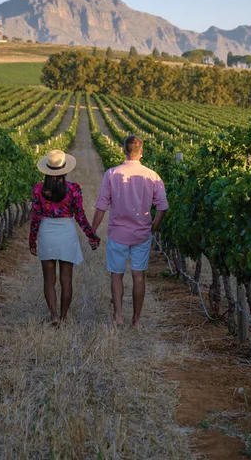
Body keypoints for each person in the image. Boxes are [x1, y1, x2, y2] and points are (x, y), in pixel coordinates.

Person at [91, 135, 168, 327]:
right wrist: (153, 226)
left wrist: (92, 230)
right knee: (138, 275)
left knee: (116, 275)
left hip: (118, 234)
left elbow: (101, 206)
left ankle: (118, 315)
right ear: (141, 152)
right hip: (142, 234)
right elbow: (163, 207)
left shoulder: (112, 174)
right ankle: (136, 319)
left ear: (124, 150)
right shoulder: (152, 175)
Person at [29, 149, 100, 325]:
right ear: (65, 170)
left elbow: (35, 217)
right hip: (66, 232)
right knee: (66, 279)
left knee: (49, 279)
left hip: (46, 232)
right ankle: (64, 316)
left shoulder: (38, 189)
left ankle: (53, 316)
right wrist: (92, 236)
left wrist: (32, 240)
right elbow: (80, 216)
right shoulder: (73, 189)